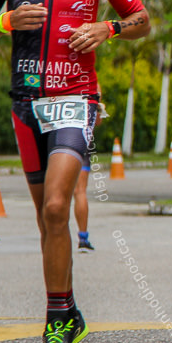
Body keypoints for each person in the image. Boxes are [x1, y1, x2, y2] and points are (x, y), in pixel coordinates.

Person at [0, 0, 150, 343]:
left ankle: (55, 320)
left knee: (58, 207)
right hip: (25, 103)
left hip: (76, 99)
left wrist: (108, 28)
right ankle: (68, 311)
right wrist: (3, 23)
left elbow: (141, 20)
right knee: (47, 221)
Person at [73, 96, 107, 252]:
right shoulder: (93, 84)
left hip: (57, 140)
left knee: (57, 192)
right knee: (80, 191)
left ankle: (56, 234)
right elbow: (97, 120)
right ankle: (83, 237)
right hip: (82, 140)